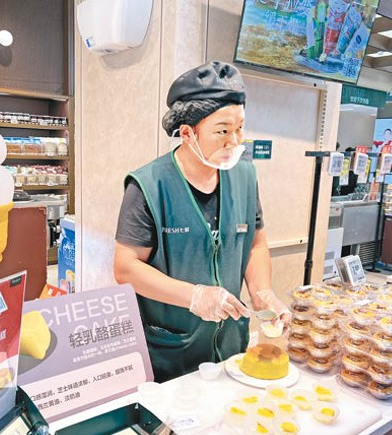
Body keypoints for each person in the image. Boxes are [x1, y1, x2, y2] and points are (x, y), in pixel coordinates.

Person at [114, 61, 290, 382]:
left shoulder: (245, 176)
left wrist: (263, 293)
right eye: (222, 131)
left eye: (240, 128)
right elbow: (126, 268)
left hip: (231, 350)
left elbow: (255, 244)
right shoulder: (148, 186)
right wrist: (194, 296)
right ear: (187, 133)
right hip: (172, 352)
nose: (234, 141)